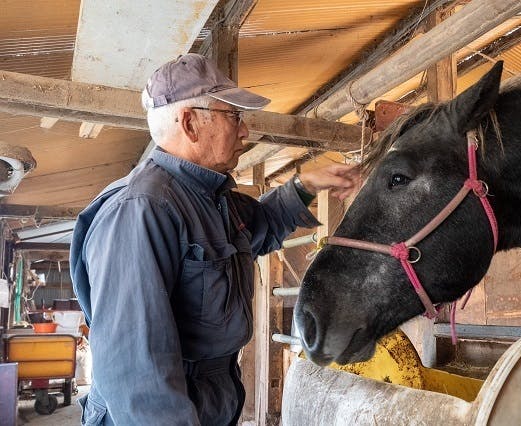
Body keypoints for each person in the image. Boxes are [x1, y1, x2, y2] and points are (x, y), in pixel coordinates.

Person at [70, 53, 360, 425]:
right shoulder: (142, 209)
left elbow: (261, 224)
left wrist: (305, 185)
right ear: (190, 123)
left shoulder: (209, 198)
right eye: (234, 116)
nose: (245, 131)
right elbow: (136, 373)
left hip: (208, 399)